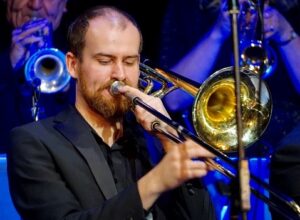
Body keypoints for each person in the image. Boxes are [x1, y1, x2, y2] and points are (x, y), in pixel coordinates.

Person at [7, 6, 216, 220]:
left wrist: (169, 140)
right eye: (105, 61)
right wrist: (156, 181)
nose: (120, 74)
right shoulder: (33, 142)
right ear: (72, 65)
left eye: (129, 61)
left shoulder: (155, 142)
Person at [159, 0, 300, 152]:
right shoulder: (189, 7)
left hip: (290, 151)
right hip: (215, 152)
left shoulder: (293, 8)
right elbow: (174, 99)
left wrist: (286, 33)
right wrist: (218, 32)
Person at [0, 0, 74, 153]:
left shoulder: (84, 59)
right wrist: (7, 68)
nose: (35, 5)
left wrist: (66, 89)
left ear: (64, 4)